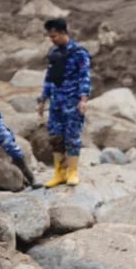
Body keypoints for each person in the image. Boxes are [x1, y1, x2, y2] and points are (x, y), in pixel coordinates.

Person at [39, 18, 92, 188]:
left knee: (72, 137)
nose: (52, 39)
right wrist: (42, 100)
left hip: (72, 101)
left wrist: (83, 99)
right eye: (50, 36)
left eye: (54, 36)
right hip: (56, 103)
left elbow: (85, 77)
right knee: (56, 137)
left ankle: (72, 172)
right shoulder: (54, 53)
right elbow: (49, 79)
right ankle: (59, 173)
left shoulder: (79, 53)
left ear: (63, 33)